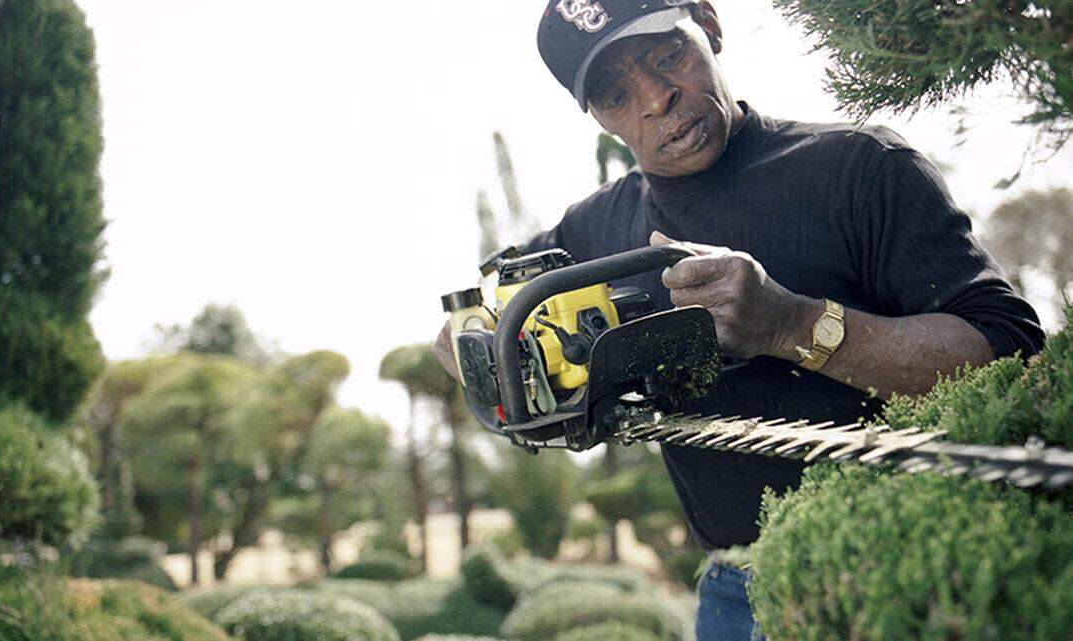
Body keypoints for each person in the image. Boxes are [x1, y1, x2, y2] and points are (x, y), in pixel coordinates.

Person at [435, 1, 1045, 639]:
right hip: (729, 589)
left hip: (897, 569)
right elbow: (472, 321)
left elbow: (1010, 356)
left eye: (668, 55)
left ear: (709, 24)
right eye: (616, 94)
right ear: (595, 116)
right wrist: (478, 349)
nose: (656, 99)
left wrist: (792, 325)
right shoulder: (589, 232)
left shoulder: (860, 168)